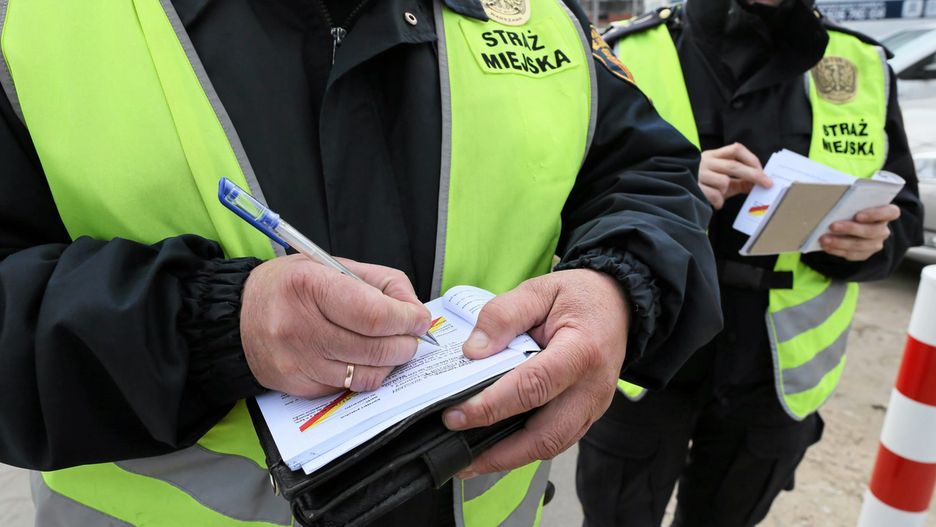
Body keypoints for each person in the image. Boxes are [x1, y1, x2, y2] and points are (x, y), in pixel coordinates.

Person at [0, 0, 722, 525]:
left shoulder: (538, 17)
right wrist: (215, 324)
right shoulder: (28, 24)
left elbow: (648, 170)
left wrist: (619, 286)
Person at [576, 1, 926, 526]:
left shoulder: (862, 64)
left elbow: (903, 216)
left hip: (774, 373)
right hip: (645, 353)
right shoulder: (626, 50)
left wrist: (870, 243)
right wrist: (671, 184)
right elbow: (563, 194)